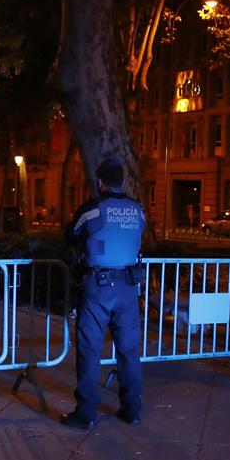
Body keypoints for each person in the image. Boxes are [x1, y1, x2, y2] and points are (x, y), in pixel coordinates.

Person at [61, 157, 146, 429]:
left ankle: (86, 413)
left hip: (98, 288)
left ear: (100, 182)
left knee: (89, 350)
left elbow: (71, 234)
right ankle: (132, 410)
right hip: (128, 288)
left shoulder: (93, 209)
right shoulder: (138, 210)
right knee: (129, 351)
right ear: (122, 181)